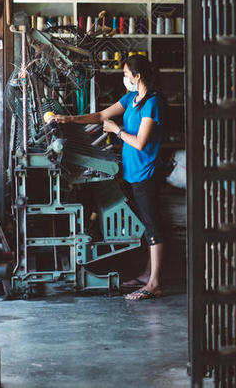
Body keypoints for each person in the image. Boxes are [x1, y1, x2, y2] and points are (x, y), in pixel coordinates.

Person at [53, 55, 164, 300]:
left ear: (137, 76)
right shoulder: (131, 99)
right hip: (133, 171)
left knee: (153, 227)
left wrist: (117, 130)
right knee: (147, 226)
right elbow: (102, 115)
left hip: (147, 172)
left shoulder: (151, 104)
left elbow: (140, 142)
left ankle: (154, 282)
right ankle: (148, 274)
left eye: (126, 74)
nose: (124, 78)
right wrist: (70, 119)